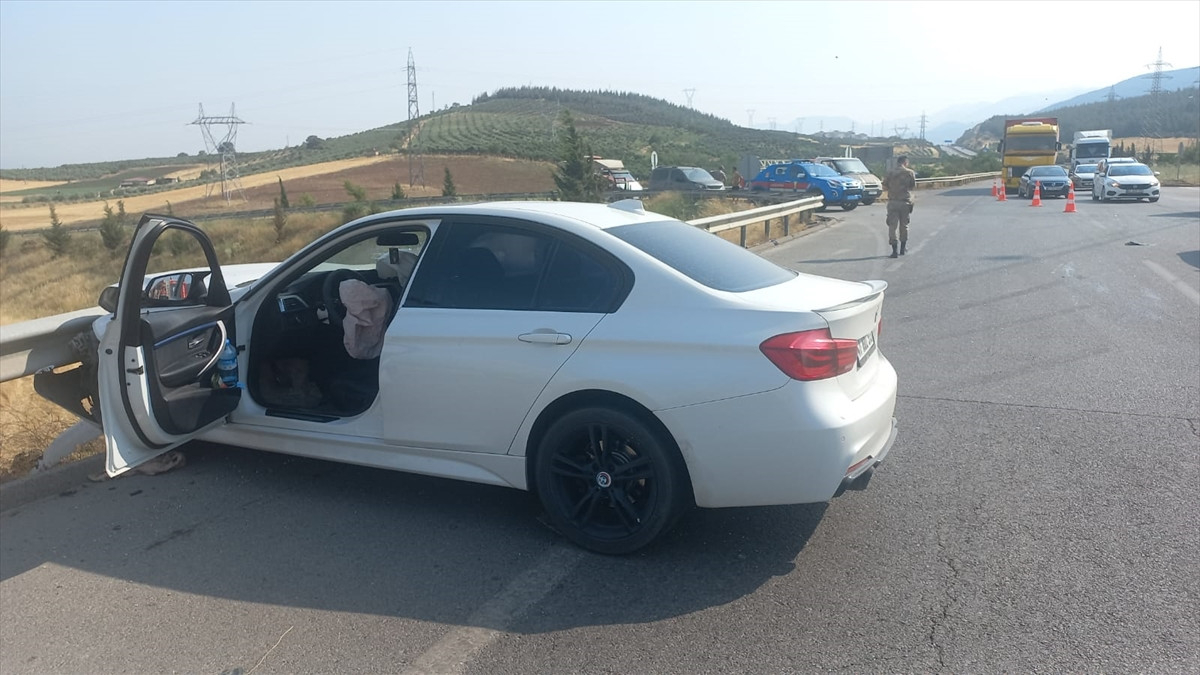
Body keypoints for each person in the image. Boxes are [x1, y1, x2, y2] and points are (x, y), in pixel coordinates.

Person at [882, 155, 916, 258]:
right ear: (905, 162)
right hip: (905, 202)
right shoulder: (910, 173)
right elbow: (912, 186)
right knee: (904, 225)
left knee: (892, 226)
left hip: (893, 202)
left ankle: (894, 250)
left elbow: (885, 185)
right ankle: (902, 248)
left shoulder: (890, 172)